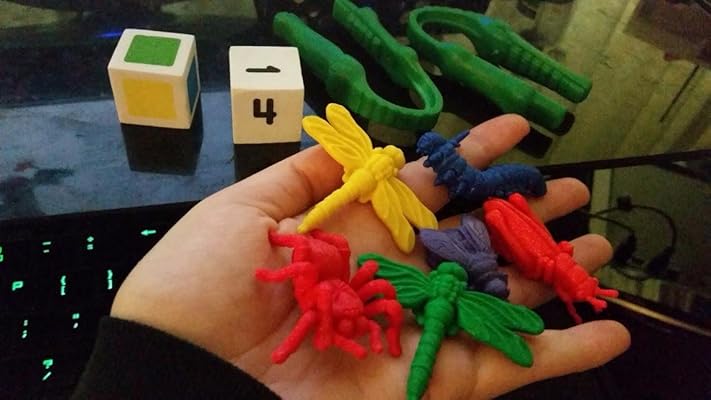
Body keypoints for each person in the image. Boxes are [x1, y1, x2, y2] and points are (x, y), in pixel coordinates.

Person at [72, 115, 630, 399]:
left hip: (377, 285)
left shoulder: (379, 287)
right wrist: (279, 266)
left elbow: (377, 293)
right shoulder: (338, 287)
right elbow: (329, 270)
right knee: (333, 275)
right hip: (356, 283)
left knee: (362, 292)